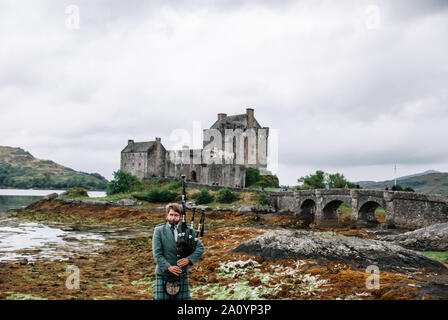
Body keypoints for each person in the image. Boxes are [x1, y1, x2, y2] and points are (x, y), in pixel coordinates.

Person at [152, 203, 204, 300]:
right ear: (167, 215)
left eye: (176, 215)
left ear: (180, 216)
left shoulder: (188, 230)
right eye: (171, 215)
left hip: (181, 274)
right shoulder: (159, 230)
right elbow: (157, 254)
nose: (173, 218)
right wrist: (168, 267)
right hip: (163, 273)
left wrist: (189, 260)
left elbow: (200, 248)